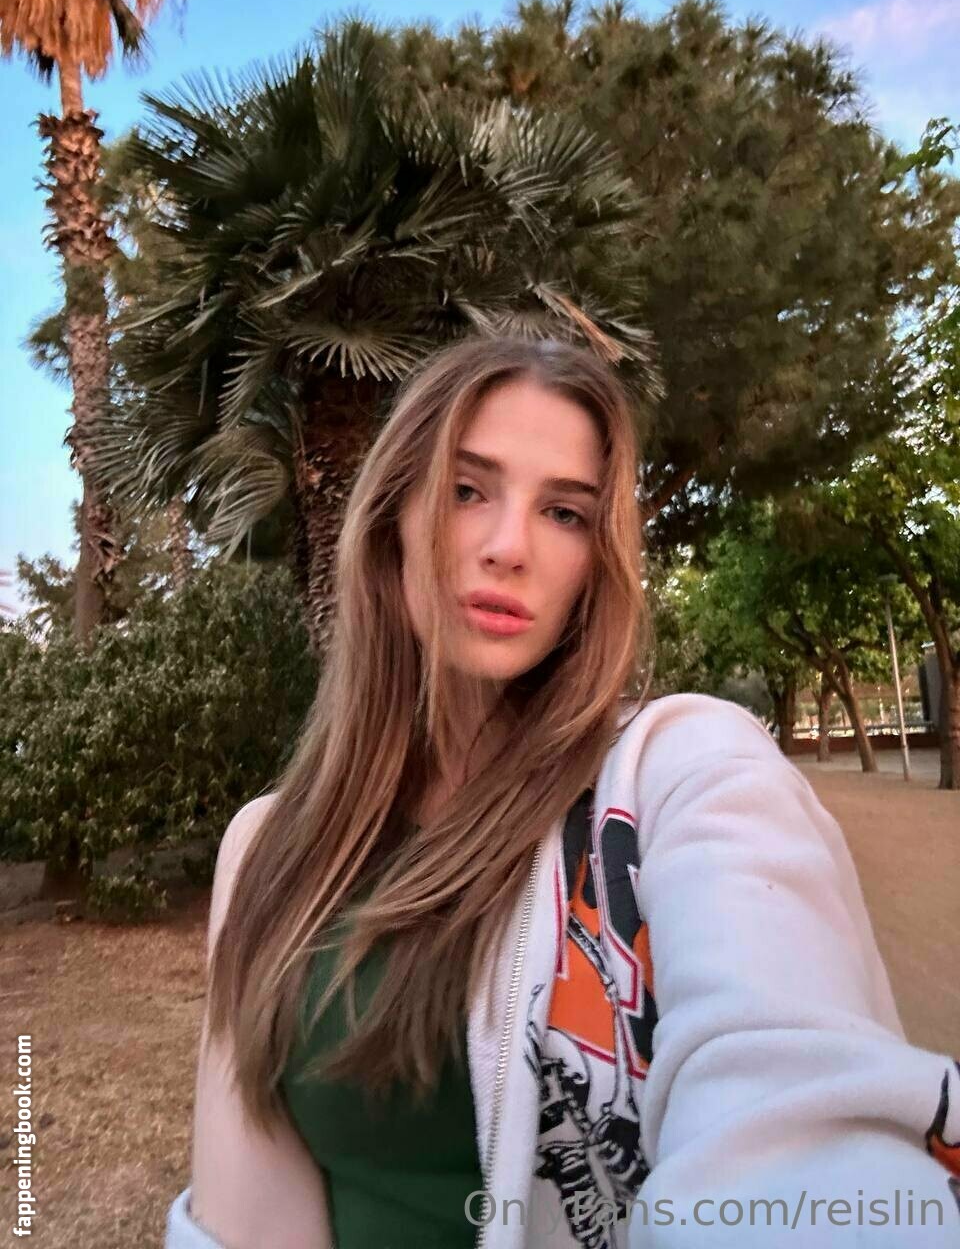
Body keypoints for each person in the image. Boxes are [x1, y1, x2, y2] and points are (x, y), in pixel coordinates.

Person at [166, 336, 960, 1249]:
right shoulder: (266, 849)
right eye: (467, 491)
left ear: (597, 561)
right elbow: (246, 1216)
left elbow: (798, 1126)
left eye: (565, 513)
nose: (510, 548)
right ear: (392, 518)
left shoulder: (682, 773)